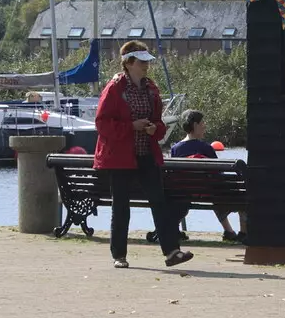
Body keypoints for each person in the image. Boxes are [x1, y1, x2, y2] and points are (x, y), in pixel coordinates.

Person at [92, 41, 192, 269]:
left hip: (146, 152)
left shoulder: (151, 88)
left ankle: (172, 252)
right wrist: (132, 126)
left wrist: (154, 129)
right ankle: (119, 255)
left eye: (147, 60)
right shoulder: (115, 88)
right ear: (128, 63)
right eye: (141, 61)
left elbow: (159, 123)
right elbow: (102, 123)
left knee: (159, 202)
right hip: (120, 157)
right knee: (121, 206)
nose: (146, 65)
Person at [167, 110, 243, 243]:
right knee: (229, 195)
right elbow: (218, 174)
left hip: (184, 192)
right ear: (195, 125)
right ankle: (237, 232)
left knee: (180, 197)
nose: (204, 126)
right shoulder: (206, 148)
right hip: (208, 192)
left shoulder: (175, 149)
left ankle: (173, 229)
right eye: (202, 123)